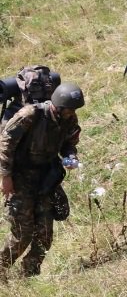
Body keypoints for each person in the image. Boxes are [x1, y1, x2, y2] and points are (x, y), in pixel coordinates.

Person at [0, 83, 84, 281]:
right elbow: (5, 143)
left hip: (44, 179)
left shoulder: (68, 118)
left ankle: (28, 275)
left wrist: (70, 156)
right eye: (70, 109)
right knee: (22, 234)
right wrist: (5, 177)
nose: (72, 114)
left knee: (45, 234)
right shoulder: (29, 115)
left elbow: (69, 144)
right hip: (19, 178)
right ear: (59, 105)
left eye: (74, 110)